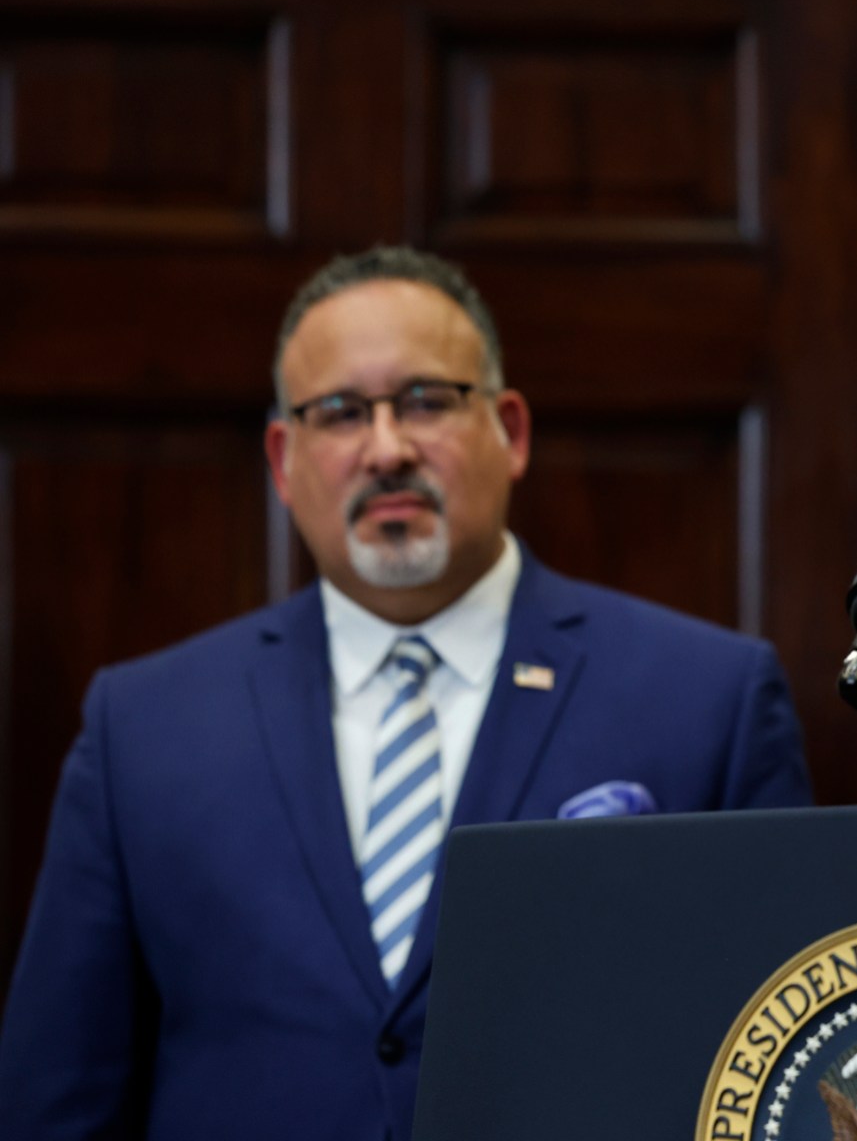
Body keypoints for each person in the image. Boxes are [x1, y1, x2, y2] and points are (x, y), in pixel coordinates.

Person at [0, 246, 812, 1138]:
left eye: (426, 401)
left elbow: (774, 1070)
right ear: (282, 459)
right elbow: (58, 1095)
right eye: (340, 413)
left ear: (511, 431)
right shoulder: (143, 728)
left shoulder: (706, 700)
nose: (386, 450)